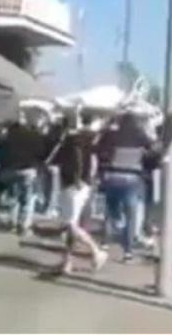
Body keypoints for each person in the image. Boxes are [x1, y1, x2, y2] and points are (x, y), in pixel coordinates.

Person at [97, 112, 156, 262]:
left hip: (112, 177)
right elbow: (154, 151)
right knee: (131, 215)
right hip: (132, 178)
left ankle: (104, 242)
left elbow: (97, 149)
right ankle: (128, 252)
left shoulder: (111, 135)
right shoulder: (140, 135)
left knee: (110, 213)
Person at [56, 107, 108, 275]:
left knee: (70, 224)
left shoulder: (76, 138)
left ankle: (95, 252)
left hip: (73, 183)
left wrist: (78, 177)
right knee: (72, 224)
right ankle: (67, 261)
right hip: (81, 183)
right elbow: (94, 161)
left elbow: (74, 158)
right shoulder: (93, 139)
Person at [0, 113, 42, 236]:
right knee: (26, 199)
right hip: (27, 170)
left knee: (13, 197)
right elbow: (41, 152)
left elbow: (0, 152)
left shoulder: (8, 137)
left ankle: (12, 223)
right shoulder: (34, 136)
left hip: (9, 170)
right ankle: (23, 226)